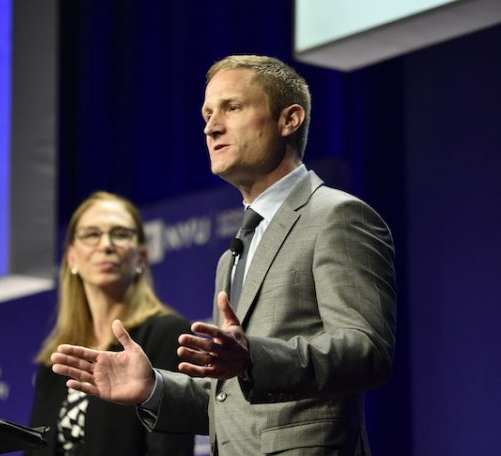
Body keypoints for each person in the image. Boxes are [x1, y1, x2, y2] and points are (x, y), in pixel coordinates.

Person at [50, 55, 397, 455]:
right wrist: (153, 388)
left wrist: (253, 358)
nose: (211, 127)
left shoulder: (336, 216)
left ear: (290, 119)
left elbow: (366, 351)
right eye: (207, 114)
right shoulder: (234, 252)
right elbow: (229, 401)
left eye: (232, 108)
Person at [26, 191, 195, 456]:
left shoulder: (164, 334)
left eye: (120, 234)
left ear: (141, 256)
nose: (105, 245)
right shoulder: (54, 362)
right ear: (71, 257)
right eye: (91, 234)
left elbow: (169, 448)